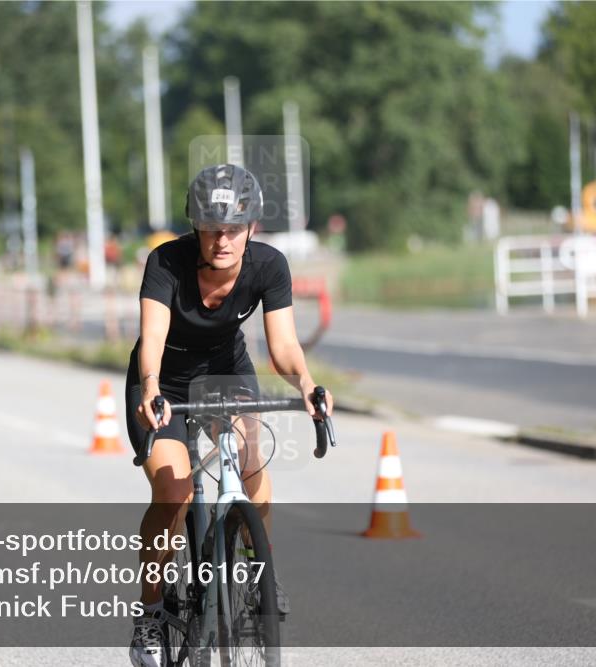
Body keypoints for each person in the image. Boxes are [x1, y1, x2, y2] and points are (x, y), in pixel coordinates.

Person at [126, 164, 334, 667]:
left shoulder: (268, 266)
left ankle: (256, 566)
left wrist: (305, 385)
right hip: (164, 382)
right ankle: (150, 614)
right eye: (211, 229)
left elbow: (283, 346)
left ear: (252, 229)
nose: (222, 240)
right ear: (195, 227)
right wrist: (151, 389)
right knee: (174, 492)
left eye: (233, 229)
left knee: (250, 459)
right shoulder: (166, 263)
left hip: (226, 370)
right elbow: (152, 337)